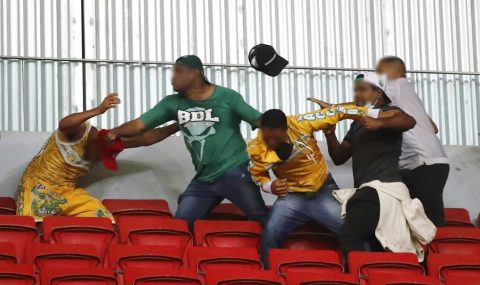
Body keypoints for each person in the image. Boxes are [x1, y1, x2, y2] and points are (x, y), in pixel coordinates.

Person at [106, 55, 268, 229]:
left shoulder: (228, 97)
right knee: (181, 226)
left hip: (235, 172)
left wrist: (289, 128)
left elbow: (260, 121)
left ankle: (274, 255)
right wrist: (113, 133)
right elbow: (139, 126)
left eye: (178, 72)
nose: (172, 78)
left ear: (195, 73)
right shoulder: (172, 103)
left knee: (261, 219)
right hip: (204, 179)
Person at [248, 102, 387, 267]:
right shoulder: (256, 148)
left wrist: (375, 114)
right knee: (270, 231)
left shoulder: (302, 123)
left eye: (275, 138)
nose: (270, 142)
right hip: (291, 197)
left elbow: (339, 112)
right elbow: (257, 174)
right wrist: (270, 186)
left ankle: (367, 272)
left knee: (352, 231)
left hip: (323, 191)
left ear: (285, 129)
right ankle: (268, 276)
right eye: (266, 136)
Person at [323, 72, 435, 261]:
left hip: (384, 189)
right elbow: (339, 156)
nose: (357, 95)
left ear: (378, 94)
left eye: (363, 90)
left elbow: (409, 121)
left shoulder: (390, 112)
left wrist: (378, 123)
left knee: (350, 237)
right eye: (356, 90)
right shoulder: (358, 123)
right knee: (378, 247)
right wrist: (330, 134)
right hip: (369, 190)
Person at [16, 94, 178, 221]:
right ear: (96, 143)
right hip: (38, 186)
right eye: (101, 154)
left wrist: (178, 125)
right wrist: (98, 110)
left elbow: (145, 139)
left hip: (68, 192)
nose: (100, 158)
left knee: (104, 222)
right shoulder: (80, 133)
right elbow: (64, 124)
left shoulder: (111, 140)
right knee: (32, 227)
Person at [376, 56, 449, 226]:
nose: (376, 76)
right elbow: (434, 127)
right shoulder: (409, 95)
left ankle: (436, 252)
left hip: (423, 162)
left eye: (379, 71)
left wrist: (336, 110)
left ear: (392, 72)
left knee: (428, 222)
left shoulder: (394, 85)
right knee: (411, 217)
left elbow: (367, 106)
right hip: (431, 162)